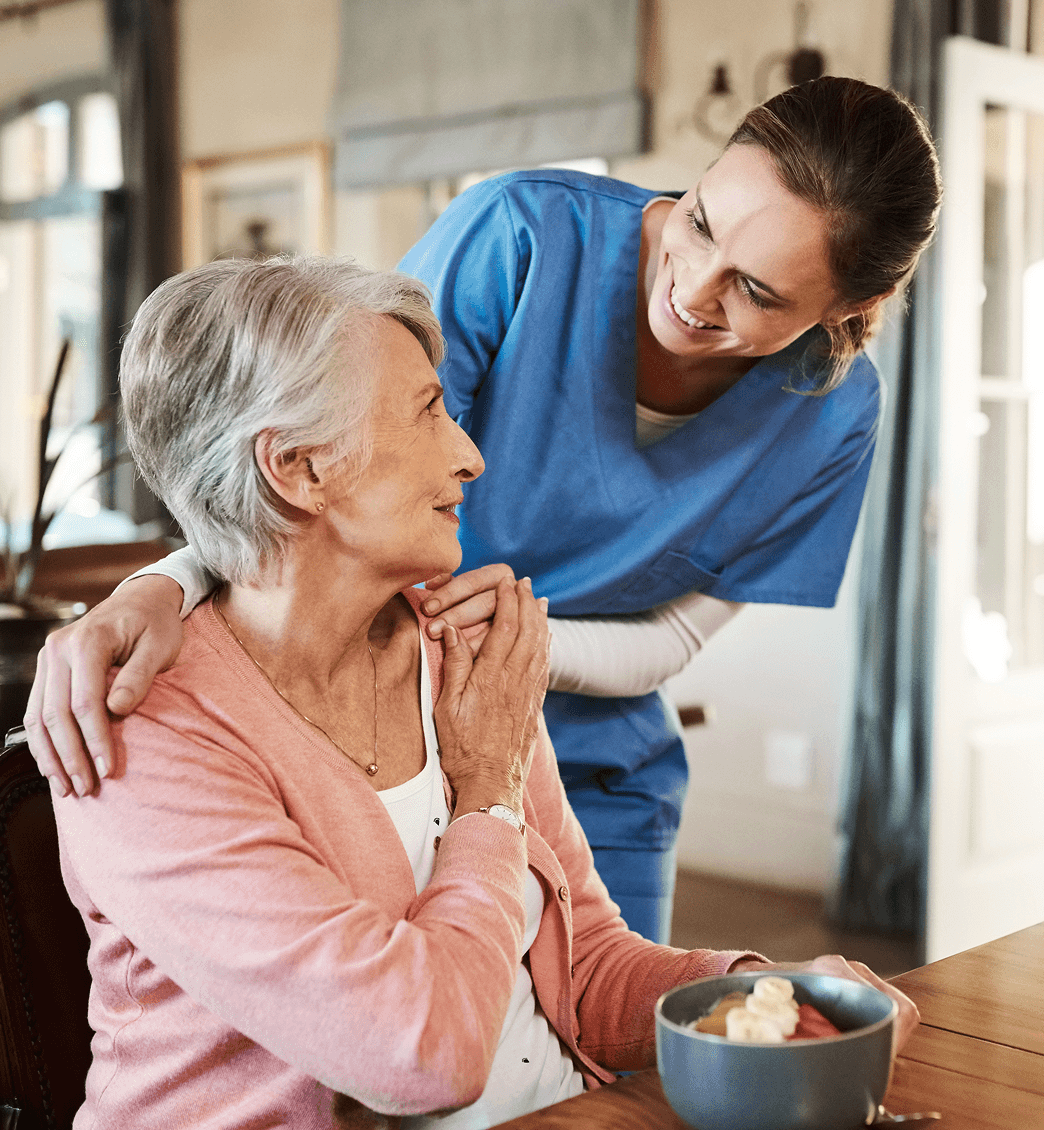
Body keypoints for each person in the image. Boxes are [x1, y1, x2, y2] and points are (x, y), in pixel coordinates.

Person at [26, 77, 943, 944]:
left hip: (595, 765)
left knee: (604, 1072)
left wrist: (512, 655)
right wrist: (165, 583)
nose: (693, 290)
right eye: (700, 222)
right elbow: (311, 457)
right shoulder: (523, 236)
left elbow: (675, 640)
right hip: (379, 733)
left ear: (849, 307)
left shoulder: (833, 416)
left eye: (757, 291)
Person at [53, 255, 918, 1129]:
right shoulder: (142, 733)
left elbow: (586, 971)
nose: (469, 456)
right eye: (429, 412)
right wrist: (489, 794)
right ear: (299, 470)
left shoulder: (461, 654)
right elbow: (423, 1054)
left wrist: (759, 992)